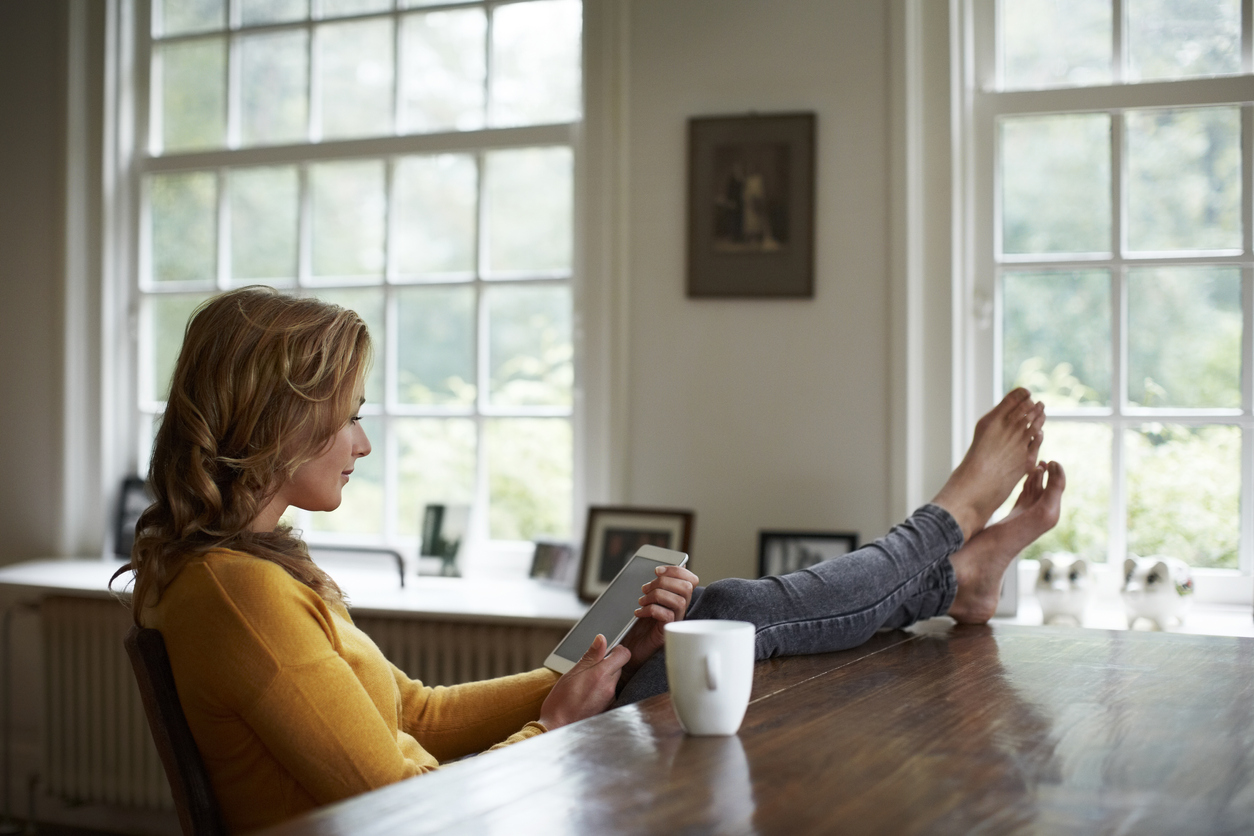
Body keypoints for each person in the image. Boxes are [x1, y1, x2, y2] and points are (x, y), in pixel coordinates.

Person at [113, 287, 1064, 833]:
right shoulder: (236, 596)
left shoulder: (244, 574)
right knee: (724, 617)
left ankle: (952, 557)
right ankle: (948, 533)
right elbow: (401, 807)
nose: (363, 442)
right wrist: (557, 724)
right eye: (350, 413)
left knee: (704, 621)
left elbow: (413, 715)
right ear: (283, 417)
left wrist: (587, 672)